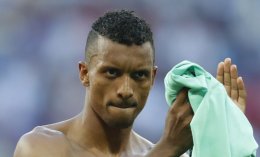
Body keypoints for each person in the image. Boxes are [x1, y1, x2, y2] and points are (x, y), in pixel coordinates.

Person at [13, 10, 247, 157]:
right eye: (112, 73)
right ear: (85, 73)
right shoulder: (40, 147)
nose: (126, 90)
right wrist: (167, 149)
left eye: (139, 76)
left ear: (153, 78)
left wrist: (228, 139)